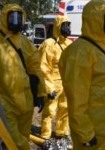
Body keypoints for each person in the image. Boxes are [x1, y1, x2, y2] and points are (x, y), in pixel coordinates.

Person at [58, 0, 105, 150]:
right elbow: (76, 97)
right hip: (94, 130)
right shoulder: (80, 52)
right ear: (96, 20)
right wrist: (85, 133)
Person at [0, 0, 46, 150]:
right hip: (6, 102)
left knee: (23, 136)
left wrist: (41, 92)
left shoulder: (26, 42)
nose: (16, 21)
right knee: (16, 141)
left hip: (26, 102)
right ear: (5, 18)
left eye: (19, 17)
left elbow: (35, 68)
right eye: (12, 17)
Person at [38, 15, 73, 149]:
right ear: (59, 26)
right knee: (50, 110)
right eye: (65, 25)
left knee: (65, 109)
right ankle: (45, 135)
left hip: (66, 83)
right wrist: (49, 87)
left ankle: (62, 132)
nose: (68, 28)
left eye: (69, 25)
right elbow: (43, 67)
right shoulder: (49, 44)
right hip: (54, 82)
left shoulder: (69, 44)